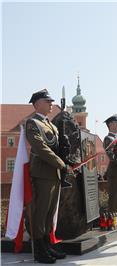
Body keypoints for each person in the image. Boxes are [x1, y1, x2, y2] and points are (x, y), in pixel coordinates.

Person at [26, 89, 69, 263]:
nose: (51, 104)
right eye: (47, 101)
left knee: (50, 212)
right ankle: (40, 251)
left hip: (54, 174)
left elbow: (56, 147)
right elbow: (40, 147)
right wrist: (60, 163)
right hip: (43, 173)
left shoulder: (50, 124)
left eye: (51, 101)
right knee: (41, 212)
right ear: (37, 104)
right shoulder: (32, 123)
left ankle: (47, 246)